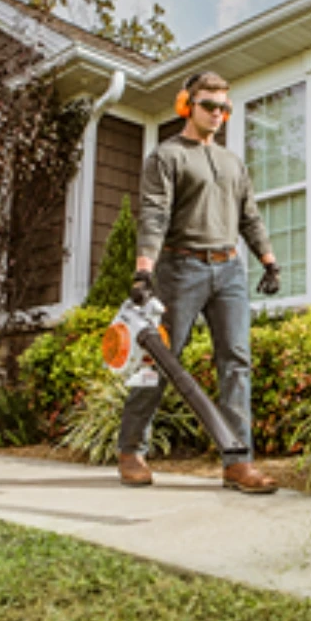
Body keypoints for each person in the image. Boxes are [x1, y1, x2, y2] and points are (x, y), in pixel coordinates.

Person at [118, 72, 283, 494]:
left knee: (236, 362)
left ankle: (238, 462)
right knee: (160, 360)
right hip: (181, 268)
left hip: (229, 269)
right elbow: (154, 214)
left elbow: (249, 214)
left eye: (224, 107)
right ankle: (132, 449)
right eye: (210, 105)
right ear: (186, 105)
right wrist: (144, 271)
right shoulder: (167, 156)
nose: (218, 114)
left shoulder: (232, 162)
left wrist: (268, 260)